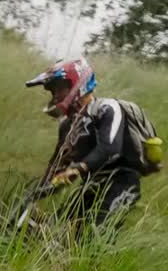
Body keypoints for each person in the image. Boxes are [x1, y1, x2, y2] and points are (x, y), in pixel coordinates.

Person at [25, 57, 141, 233]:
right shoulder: (67, 126)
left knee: (91, 238)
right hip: (89, 185)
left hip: (121, 185)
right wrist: (34, 195)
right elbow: (57, 164)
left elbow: (109, 147)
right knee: (52, 231)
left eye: (59, 89)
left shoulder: (107, 108)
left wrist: (77, 169)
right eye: (52, 91)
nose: (55, 96)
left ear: (77, 82)